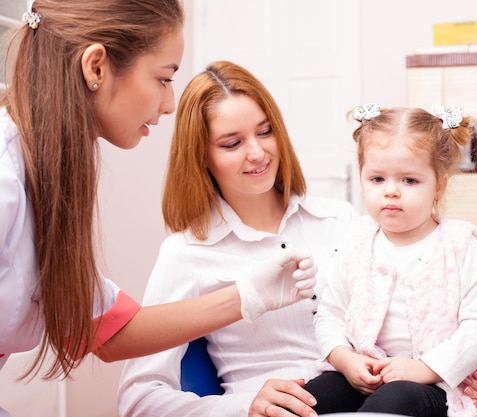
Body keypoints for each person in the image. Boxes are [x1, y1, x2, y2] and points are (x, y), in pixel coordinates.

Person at [118, 62, 477, 417]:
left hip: (384, 392)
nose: (257, 153)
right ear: (200, 155)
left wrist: (474, 391)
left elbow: (429, 335)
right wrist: (244, 406)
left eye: (265, 131)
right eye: (232, 143)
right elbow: (139, 399)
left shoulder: (346, 223)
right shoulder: (186, 253)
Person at [0, 1, 316, 412]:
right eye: (163, 79)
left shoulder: (43, 173)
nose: (169, 105)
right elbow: (138, 388)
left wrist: (249, 294)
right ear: (96, 67)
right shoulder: (6, 175)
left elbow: (108, 332)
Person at [303, 104, 477, 417]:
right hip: (362, 373)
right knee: (309, 399)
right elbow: (329, 314)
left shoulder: (459, 246)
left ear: (439, 185)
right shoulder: (356, 242)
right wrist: (344, 359)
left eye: (409, 180)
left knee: (394, 400)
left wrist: (424, 369)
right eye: (377, 179)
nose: (391, 192)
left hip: (434, 385)